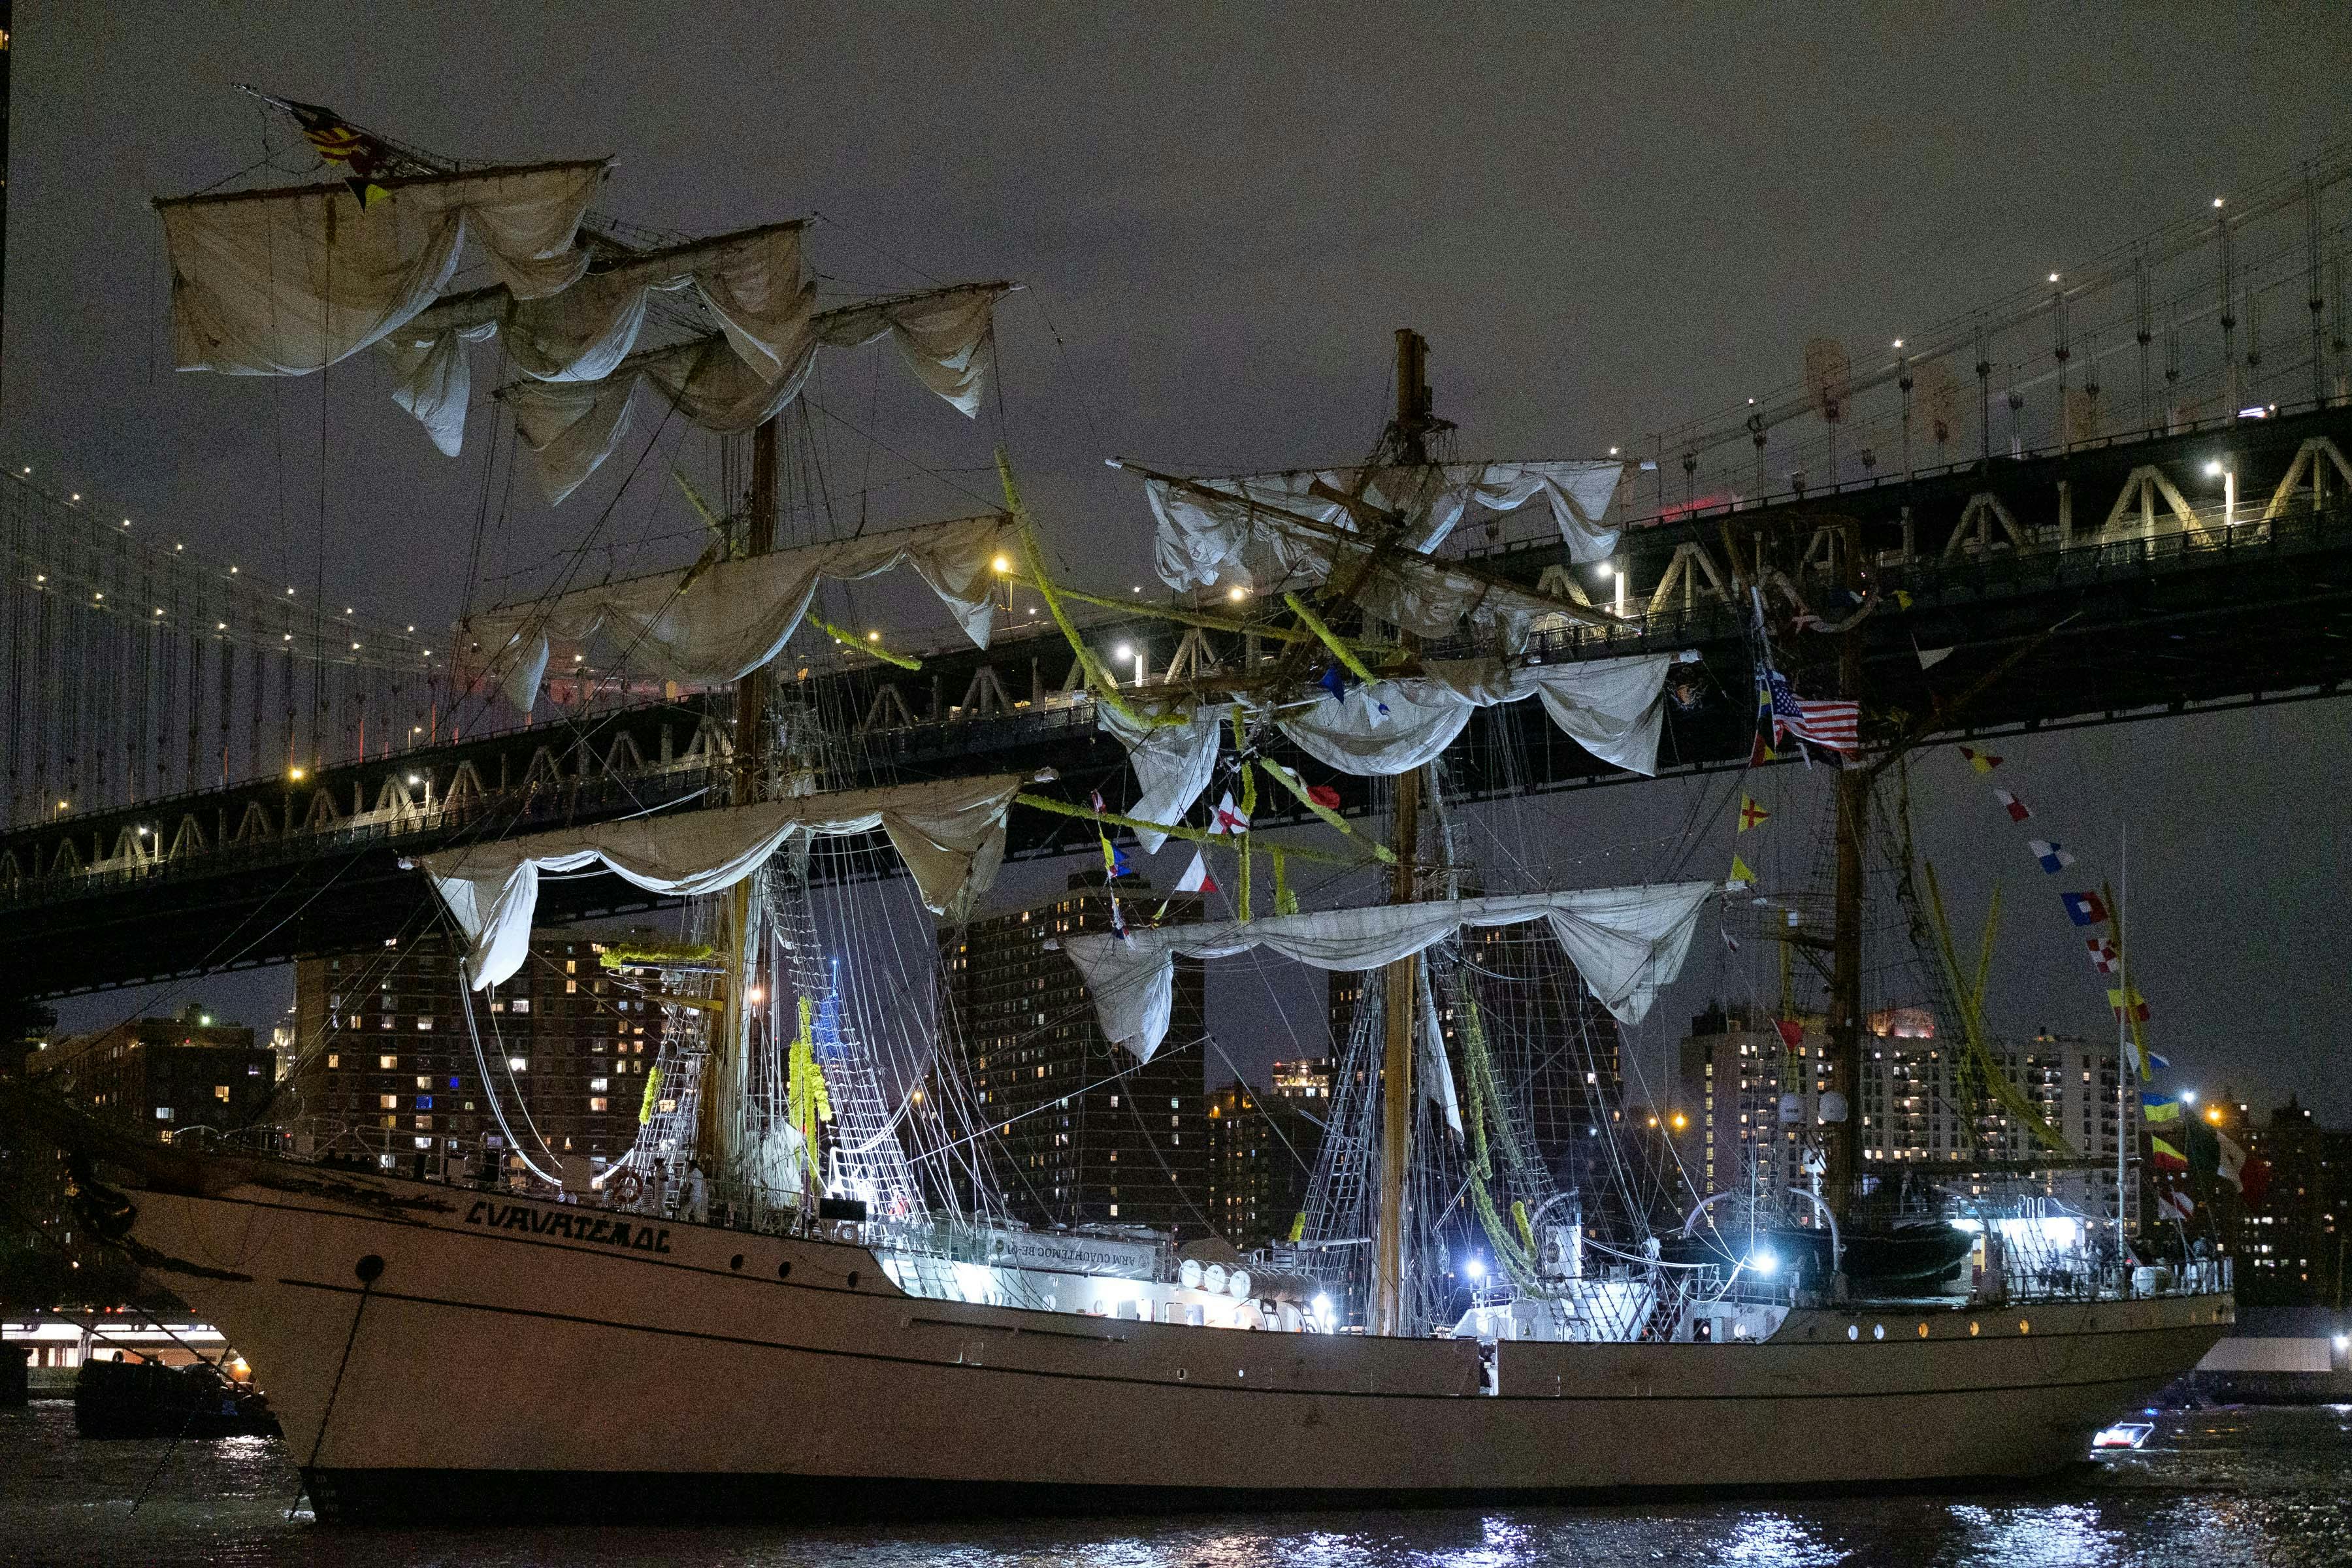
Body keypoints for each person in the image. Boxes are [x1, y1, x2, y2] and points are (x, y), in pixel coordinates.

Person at [682, 1160, 709, 1224]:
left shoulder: (693, 1173)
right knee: (697, 1213)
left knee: (685, 1212)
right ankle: (698, 1225)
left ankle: (684, 1224)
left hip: (693, 1194)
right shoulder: (700, 1173)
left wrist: (687, 1193)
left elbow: (691, 1184)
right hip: (699, 1195)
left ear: (692, 1166)